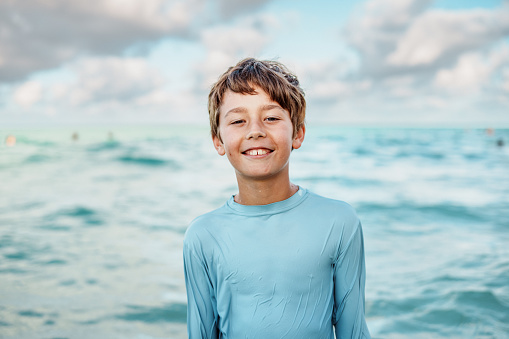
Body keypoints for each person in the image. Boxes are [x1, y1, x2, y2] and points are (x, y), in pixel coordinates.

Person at [183, 58, 370, 338]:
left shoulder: (340, 222)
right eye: (237, 120)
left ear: (298, 133)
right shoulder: (203, 236)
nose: (255, 130)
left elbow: (353, 331)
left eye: (271, 117)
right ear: (218, 140)